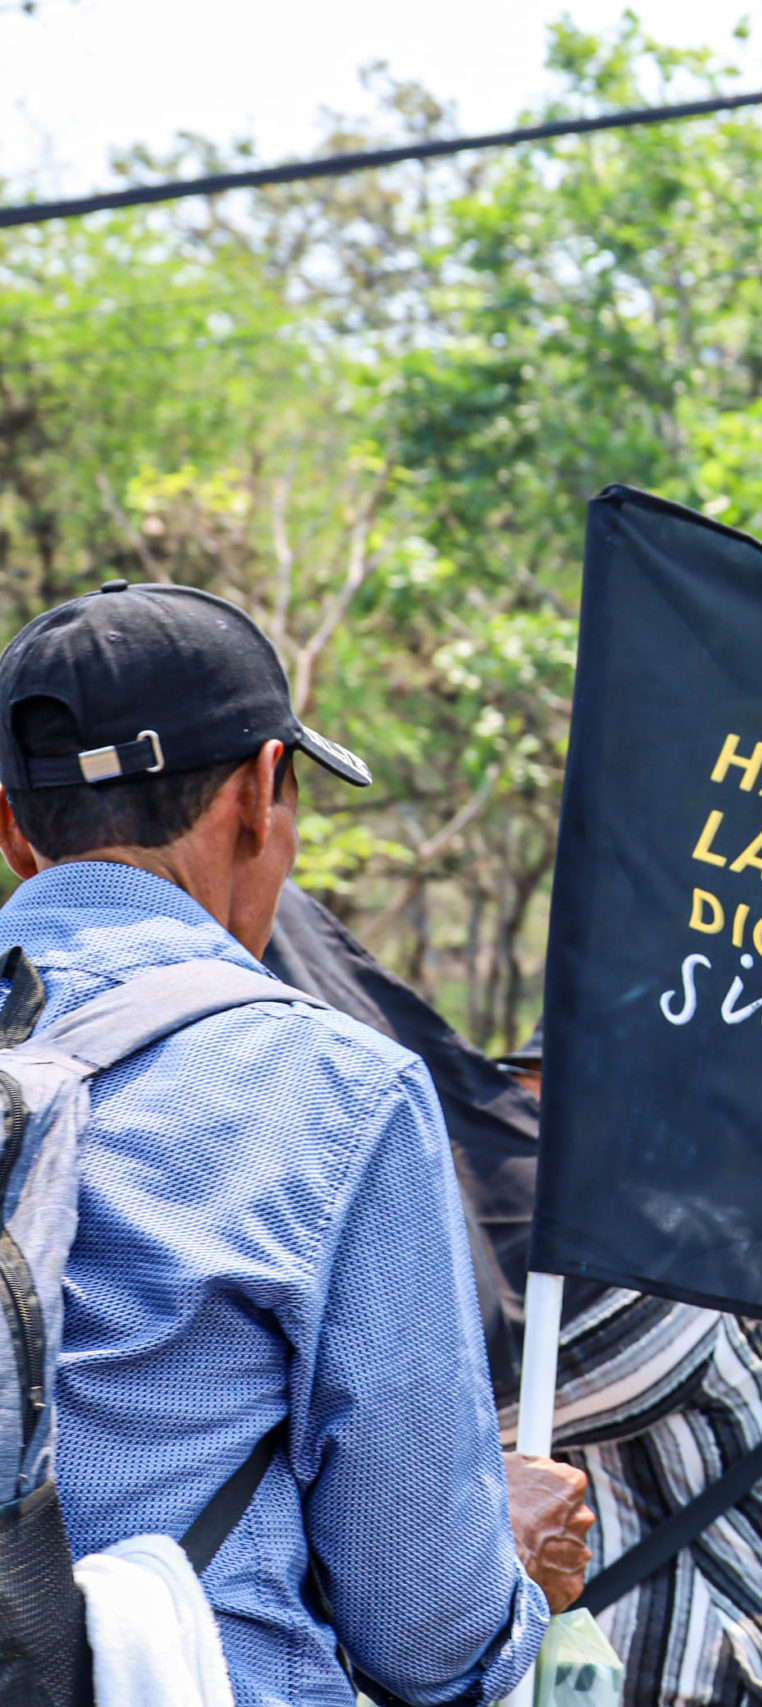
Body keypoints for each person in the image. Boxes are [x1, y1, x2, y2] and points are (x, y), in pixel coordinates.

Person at [0, 580, 593, 1705]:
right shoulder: (337, 1089)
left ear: (11, 828)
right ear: (257, 794)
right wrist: (508, 1569)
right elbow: (428, 1631)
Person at [488, 1015, 762, 1707]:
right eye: (525, 1101)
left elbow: (470, 1405)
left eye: (565, 1106)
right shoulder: (553, 1271)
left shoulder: (682, 1260)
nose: (533, 1135)